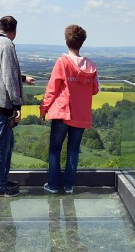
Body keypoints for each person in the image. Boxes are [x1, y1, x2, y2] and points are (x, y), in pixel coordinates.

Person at [39, 24, 99, 194]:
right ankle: (68, 186)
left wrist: (43, 109)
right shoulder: (91, 66)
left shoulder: (62, 62)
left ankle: (52, 185)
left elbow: (52, 89)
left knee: (55, 149)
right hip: (81, 115)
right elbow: (94, 90)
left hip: (62, 112)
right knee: (73, 150)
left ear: (66, 41)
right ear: (82, 42)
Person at [0, 15, 34, 197]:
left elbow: (1, 73)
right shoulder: (7, 46)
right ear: (14, 31)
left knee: (6, 144)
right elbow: (9, 77)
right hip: (0, 104)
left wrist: (24, 78)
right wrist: (17, 104)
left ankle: (1, 180)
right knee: (0, 146)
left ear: (0, 27)